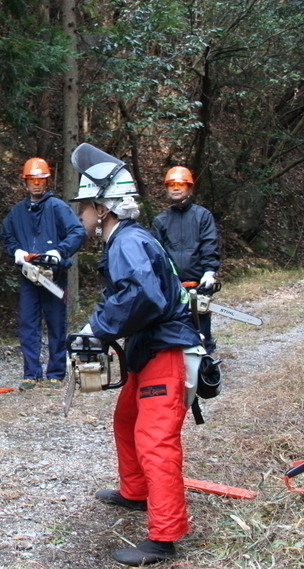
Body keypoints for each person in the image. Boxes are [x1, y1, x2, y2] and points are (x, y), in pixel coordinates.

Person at [69, 143, 202, 567]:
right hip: (147, 348)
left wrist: (97, 328)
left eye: (85, 207)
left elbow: (141, 295)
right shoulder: (125, 239)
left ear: (103, 207)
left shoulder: (127, 241)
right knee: (126, 418)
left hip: (164, 349)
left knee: (156, 441)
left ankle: (164, 535)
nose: (81, 216)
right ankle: (135, 491)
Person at [0, 158, 85, 390]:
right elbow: (7, 235)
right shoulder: (18, 211)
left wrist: (59, 251)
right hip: (29, 274)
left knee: (56, 323)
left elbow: (77, 232)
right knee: (28, 324)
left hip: (54, 274)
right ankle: (31, 373)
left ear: (47, 181)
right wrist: (16, 251)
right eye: (32, 180)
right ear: (25, 182)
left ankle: (56, 372)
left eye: (40, 180)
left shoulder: (58, 207)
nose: (36, 184)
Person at [150, 166, 221, 353]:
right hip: (172, 286)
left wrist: (209, 271)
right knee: (172, 331)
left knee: (201, 329)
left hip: (198, 283)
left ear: (189, 188)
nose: (176, 188)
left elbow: (209, 244)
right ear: (166, 188)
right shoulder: (160, 221)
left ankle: (205, 365)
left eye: (181, 184)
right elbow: (156, 254)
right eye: (172, 184)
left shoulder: (202, 216)